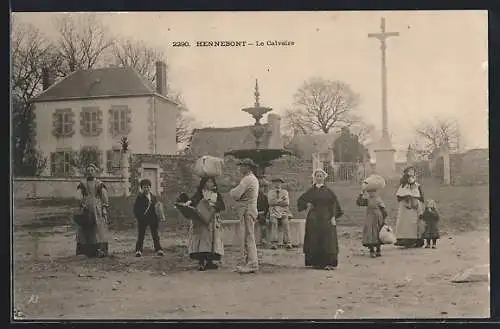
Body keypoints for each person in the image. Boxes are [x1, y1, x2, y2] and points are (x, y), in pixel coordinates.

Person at [297, 168, 344, 270]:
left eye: (321, 176)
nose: (319, 178)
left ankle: (328, 262)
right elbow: (301, 200)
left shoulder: (329, 192)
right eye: (317, 176)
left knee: (327, 239)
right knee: (313, 237)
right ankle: (315, 262)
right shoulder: (311, 191)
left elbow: (334, 204)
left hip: (326, 217)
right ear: (314, 178)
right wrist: (306, 205)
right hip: (313, 217)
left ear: (324, 178)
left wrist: (333, 217)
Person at [186, 177, 226, 271]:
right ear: (203, 183)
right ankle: (201, 262)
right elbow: (194, 200)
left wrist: (214, 206)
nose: (210, 184)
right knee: (201, 241)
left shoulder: (216, 195)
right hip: (201, 222)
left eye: (211, 182)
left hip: (212, 221)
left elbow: (222, 205)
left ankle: (210, 262)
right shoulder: (200, 193)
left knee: (212, 242)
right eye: (208, 181)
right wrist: (191, 202)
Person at [229, 158, 260, 274]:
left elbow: (235, 194)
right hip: (249, 210)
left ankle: (252, 264)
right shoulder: (250, 179)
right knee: (247, 237)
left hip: (248, 210)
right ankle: (248, 263)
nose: (240, 168)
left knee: (249, 237)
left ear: (248, 167)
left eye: (242, 165)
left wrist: (232, 191)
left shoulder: (248, 179)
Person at [75, 163, 110, 258]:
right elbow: (78, 196)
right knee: (84, 228)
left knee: (98, 228)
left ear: (95, 172)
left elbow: (104, 196)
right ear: (86, 172)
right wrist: (82, 204)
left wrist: (104, 208)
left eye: (92, 170)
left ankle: (99, 250)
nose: (90, 172)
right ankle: (84, 251)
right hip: (85, 207)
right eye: (88, 170)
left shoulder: (99, 184)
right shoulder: (82, 184)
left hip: (97, 208)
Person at [395, 166, 425, 248]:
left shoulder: (417, 186)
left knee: (415, 223)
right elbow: (399, 197)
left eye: (413, 173)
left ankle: (417, 239)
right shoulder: (403, 186)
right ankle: (404, 240)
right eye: (409, 173)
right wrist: (406, 197)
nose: (411, 177)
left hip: (415, 206)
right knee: (405, 223)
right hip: (405, 208)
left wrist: (416, 200)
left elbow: (422, 197)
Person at [133, 179, 165, 257]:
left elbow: (157, 208)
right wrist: (139, 217)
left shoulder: (153, 197)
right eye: (144, 187)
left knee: (155, 235)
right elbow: (135, 209)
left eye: (148, 187)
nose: (146, 189)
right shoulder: (139, 198)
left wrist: (159, 216)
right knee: (141, 235)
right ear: (141, 188)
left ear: (150, 187)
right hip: (142, 219)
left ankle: (158, 249)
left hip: (152, 219)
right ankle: (138, 250)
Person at [356, 186, 388, 258]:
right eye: (369, 192)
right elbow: (359, 203)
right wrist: (361, 194)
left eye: (373, 192)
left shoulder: (378, 200)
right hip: (370, 219)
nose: (371, 194)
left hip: (377, 218)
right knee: (370, 234)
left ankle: (378, 250)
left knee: (378, 234)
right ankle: (371, 250)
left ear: (375, 192)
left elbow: (384, 210)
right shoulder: (367, 200)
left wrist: (384, 219)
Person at [268, 178, 293, 250]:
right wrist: (281, 200)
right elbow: (270, 202)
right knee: (274, 222)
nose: (277, 184)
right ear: (273, 184)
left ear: (281, 184)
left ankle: (288, 242)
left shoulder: (285, 192)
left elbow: (287, 203)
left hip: (283, 212)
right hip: (274, 212)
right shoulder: (270, 192)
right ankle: (274, 243)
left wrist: (276, 202)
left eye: (279, 183)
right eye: (275, 183)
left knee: (285, 223)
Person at [257, 179, 271, 248]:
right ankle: (263, 239)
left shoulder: (265, 197)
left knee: (264, 221)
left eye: (262, 187)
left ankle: (264, 238)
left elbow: (267, 207)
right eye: (260, 187)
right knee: (262, 221)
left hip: (262, 213)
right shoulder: (255, 196)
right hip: (256, 213)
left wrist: (266, 215)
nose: (261, 189)